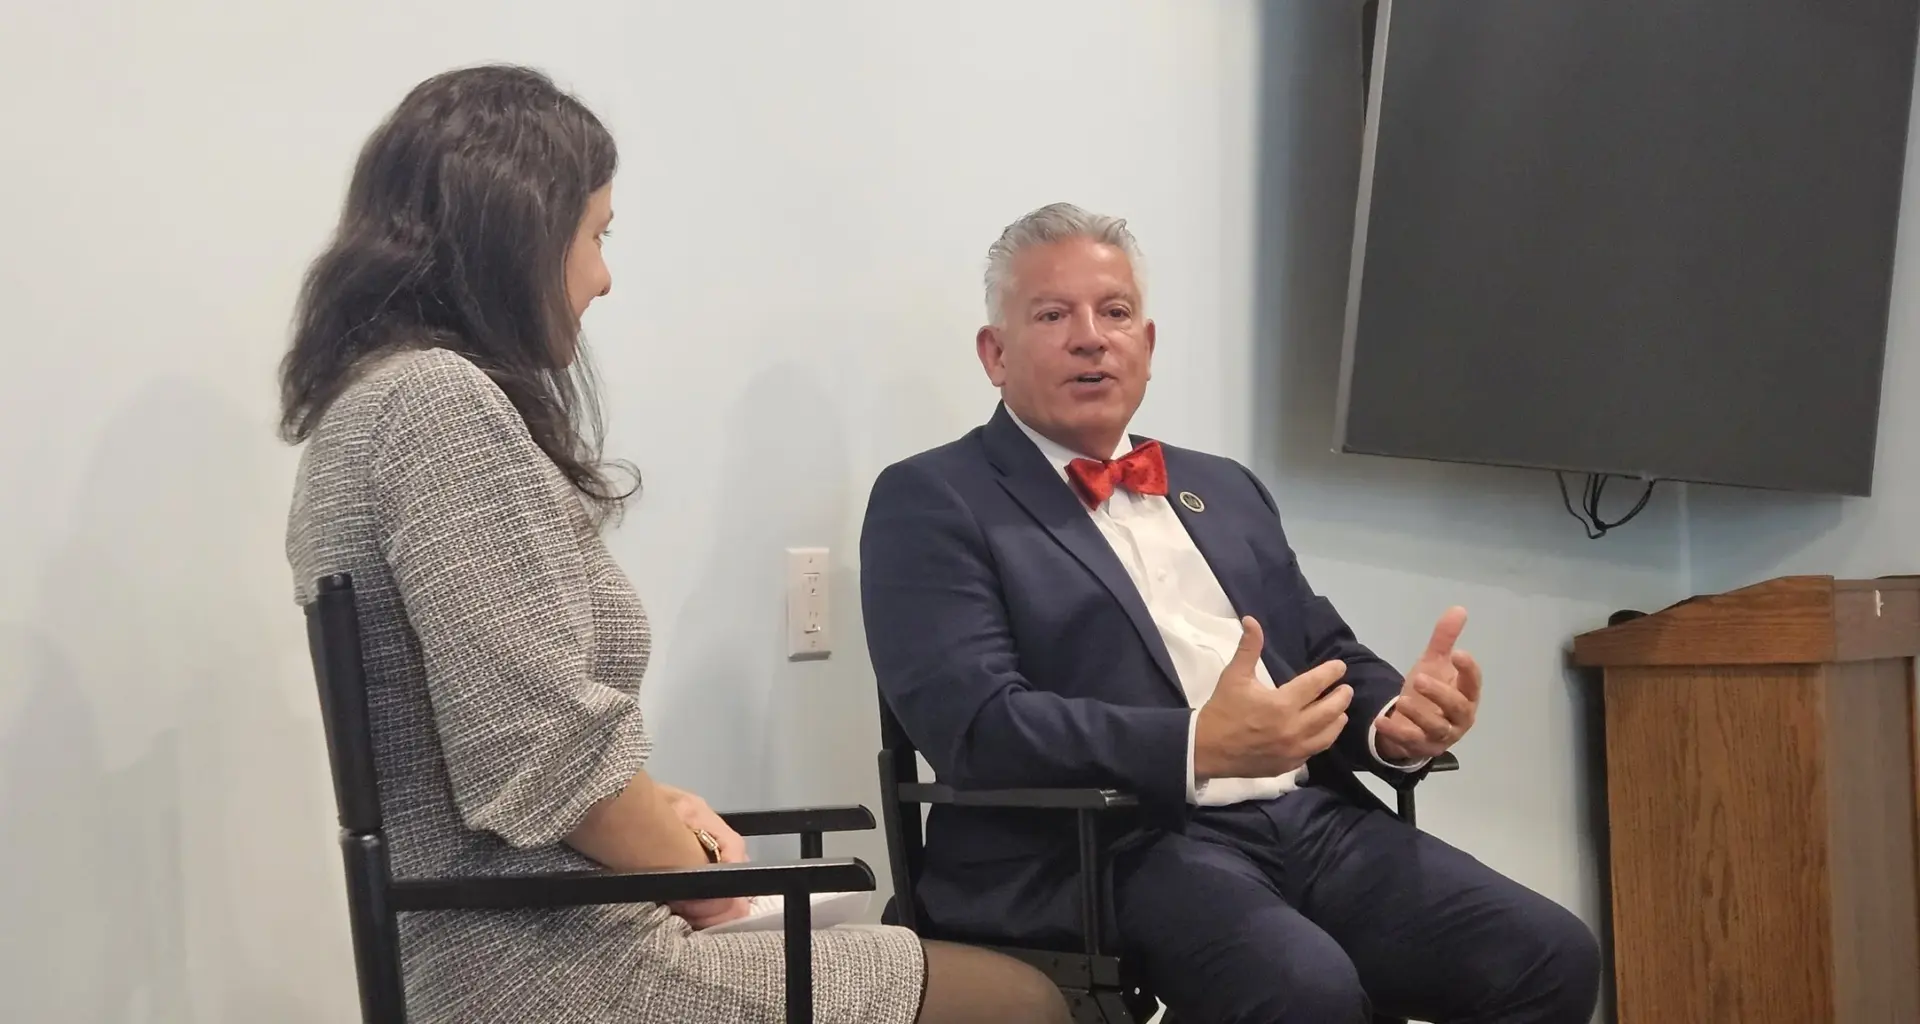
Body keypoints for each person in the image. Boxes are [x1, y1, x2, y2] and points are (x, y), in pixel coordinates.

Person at [278, 65, 1069, 1024]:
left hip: (523, 934)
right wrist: (696, 878)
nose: (603, 276)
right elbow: (545, 757)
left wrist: (661, 803)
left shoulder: (368, 410)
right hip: (542, 968)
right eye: (595, 235)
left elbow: (514, 729)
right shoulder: (439, 408)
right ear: (517, 231)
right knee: (1023, 999)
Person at [859, 203, 1603, 1024]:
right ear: (995, 355)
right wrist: (1192, 744)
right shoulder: (933, 498)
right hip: (1111, 846)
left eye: (1114, 312)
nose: (1090, 336)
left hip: (1307, 820)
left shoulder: (1225, 489)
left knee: (1548, 954)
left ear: (1147, 345)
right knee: (1304, 990)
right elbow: (975, 726)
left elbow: (1319, 649)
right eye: (1051, 314)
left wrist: (1395, 721)